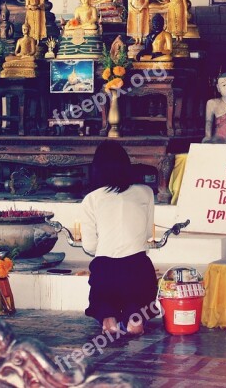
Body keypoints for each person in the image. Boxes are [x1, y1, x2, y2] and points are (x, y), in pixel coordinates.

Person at [80, 141, 156, 337]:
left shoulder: (91, 199)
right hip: (137, 267)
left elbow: (89, 246)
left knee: (104, 299)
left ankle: (108, 319)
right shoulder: (146, 192)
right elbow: (147, 234)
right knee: (138, 297)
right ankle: (134, 319)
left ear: (97, 168)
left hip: (106, 270)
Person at [203, 72, 226, 143]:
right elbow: (208, 122)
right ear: (218, 88)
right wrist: (208, 136)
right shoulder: (212, 103)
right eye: (224, 85)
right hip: (219, 139)